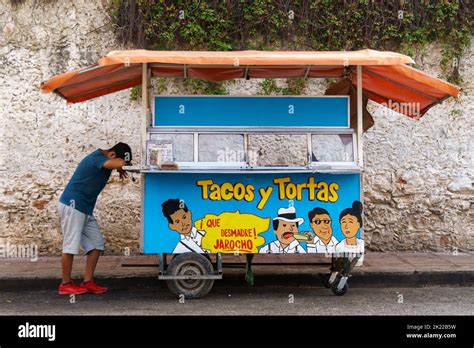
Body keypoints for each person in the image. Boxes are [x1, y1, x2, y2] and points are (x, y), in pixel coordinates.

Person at [57, 142, 132, 295]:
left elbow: (116, 162)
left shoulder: (104, 161)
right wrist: (121, 164)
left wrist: (119, 165)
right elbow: (117, 162)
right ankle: (65, 284)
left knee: (96, 245)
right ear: (111, 155)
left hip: (84, 209)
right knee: (70, 246)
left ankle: (88, 282)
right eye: (119, 161)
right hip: (73, 206)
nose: (121, 166)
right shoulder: (96, 158)